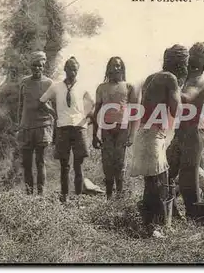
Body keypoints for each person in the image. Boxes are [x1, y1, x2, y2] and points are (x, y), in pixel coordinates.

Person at [129, 44, 188, 238]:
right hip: (152, 136)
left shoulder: (152, 77)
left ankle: (153, 226)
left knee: (154, 183)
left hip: (148, 134)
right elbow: (176, 110)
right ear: (180, 63)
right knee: (158, 184)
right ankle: (155, 228)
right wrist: (182, 89)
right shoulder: (170, 79)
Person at [167, 42, 204, 219]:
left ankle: (195, 217)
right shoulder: (185, 80)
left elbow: (185, 98)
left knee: (188, 177)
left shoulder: (201, 82)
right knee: (167, 171)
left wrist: (169, 85)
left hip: (195, 132)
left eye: (192, 58)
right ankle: (174, 214)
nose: (188, 62)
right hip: (182, 131)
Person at [39, 56, 94, 203]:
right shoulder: (56, 86)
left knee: (79, 164)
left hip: (79, 128)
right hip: (62, 128)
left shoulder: (83, 86)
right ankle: (64, 196)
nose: (72, 72)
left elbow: (94, 103)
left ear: (78, 70)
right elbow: (43, 101)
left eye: (75, 69)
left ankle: (78, 197)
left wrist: (87, 118)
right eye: (69, 68)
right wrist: (54, 114)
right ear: (65, 69)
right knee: (64, 164)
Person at [91, 56, 138, 200]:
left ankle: (120, 195)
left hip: (122, 129)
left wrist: (132, 134)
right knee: (107, 162)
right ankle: (109, 195)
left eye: (118, 65)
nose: (116, 68)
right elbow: (96, 112)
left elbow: (135, 112)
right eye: (113, 65)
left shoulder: (129, 86)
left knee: (120, 161)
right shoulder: (102, 87)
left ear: (122, 68)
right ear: (108, 68)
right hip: (106, 129)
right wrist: (94, 134)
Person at [17, 51, 54, 195]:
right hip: (26, 126)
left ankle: (41, 195)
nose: (37, 69)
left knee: (40, 161)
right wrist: (19, 124)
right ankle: (28, 193)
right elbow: (21, 105)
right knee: (26, 163)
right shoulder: (24, 82)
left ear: (43, 65)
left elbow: (53, 107)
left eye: (40, 66)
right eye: (34, 66)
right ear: (30, 66)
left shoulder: (49, 83)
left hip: (43, 126)